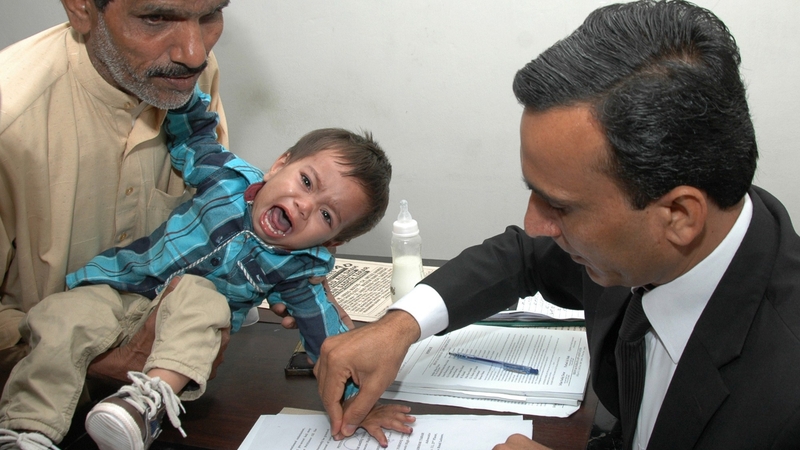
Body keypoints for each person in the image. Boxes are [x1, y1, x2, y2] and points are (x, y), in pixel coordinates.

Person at [313, 1, 800, 449]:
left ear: (678, 216)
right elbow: (523, 257)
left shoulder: (782, 402)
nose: (533, 224)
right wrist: (400, 326)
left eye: (560, 207)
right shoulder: (649, 242)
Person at [0, 86, 409, 450]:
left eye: (326, 215)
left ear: (331, 241)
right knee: (60, 316)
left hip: (177, 334)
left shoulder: (297, 271)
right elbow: (195, 134)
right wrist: (180, 92)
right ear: (279, 164)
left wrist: (357, 404)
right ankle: (27, 431)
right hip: (117, 288)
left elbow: (330, 342)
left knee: (200, 296)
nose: (304, 206)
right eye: (306, 181)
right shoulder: (225, 178)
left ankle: (144, 407)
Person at [0, 0, 229, 365]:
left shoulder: (186, 76)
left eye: (210, 15)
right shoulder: (10, 117)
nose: (194, 53)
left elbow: (214, 210)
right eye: (156, 18)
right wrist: (100, 363)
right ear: (81, 8)